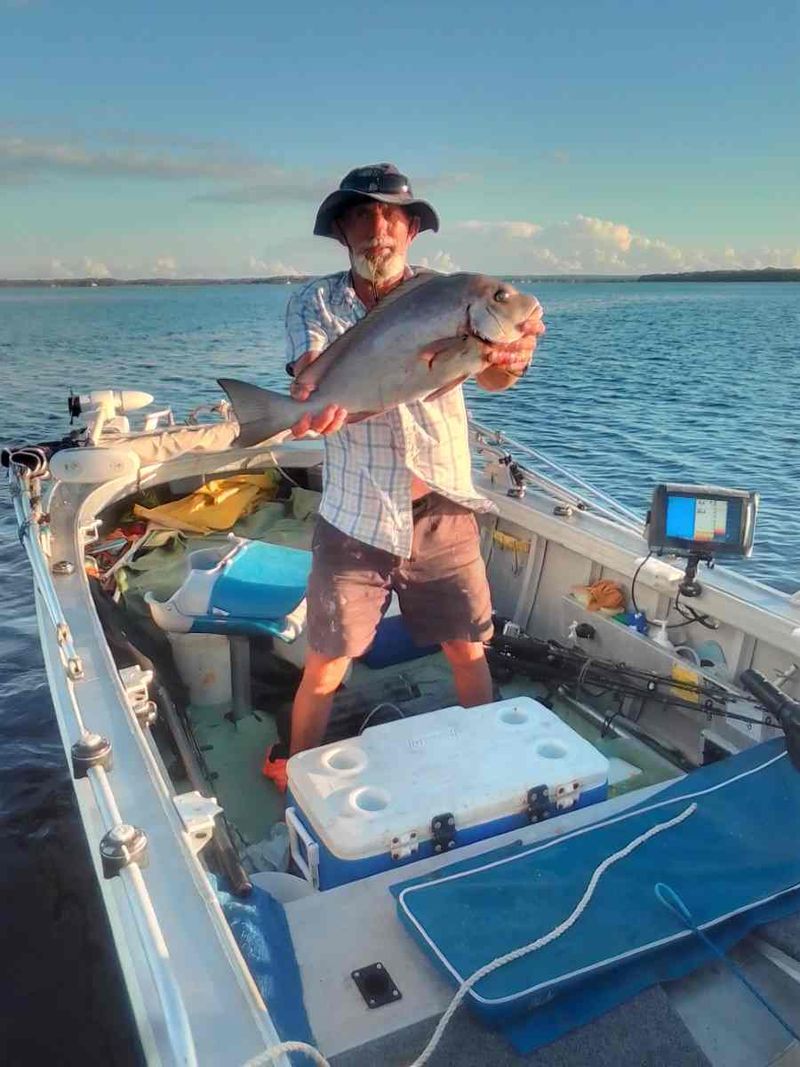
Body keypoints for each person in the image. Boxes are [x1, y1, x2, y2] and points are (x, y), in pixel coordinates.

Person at [263, 163, 544, 791]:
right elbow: (311, 374)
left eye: (392, 215)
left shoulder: (448, 295)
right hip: (355, 512)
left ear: (412, 229)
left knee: (468, 648)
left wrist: (513, 354)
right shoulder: (314, 301)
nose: (378, 228)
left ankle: (492, 769)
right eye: (362, 216)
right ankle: (300, 784)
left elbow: (493, 376)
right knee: (325, 664)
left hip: (441, 505)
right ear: (342, 231)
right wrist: (311, 400)